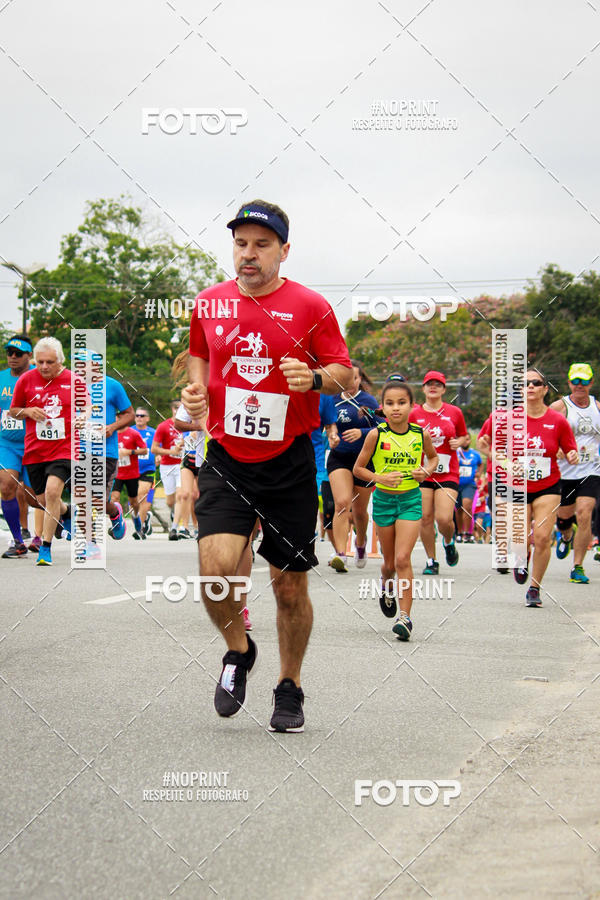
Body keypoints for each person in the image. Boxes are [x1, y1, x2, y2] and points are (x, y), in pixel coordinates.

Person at [182, 198, 352, 733]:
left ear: (283, 250)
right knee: (215, 572)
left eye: (261, 245)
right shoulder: (209, 302)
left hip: (289, 462)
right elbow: (199, 353)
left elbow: (346, 373)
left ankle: (290, 687)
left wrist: (315, 379)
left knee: (288, 586)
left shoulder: (310, 306)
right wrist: (195, 393)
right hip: (227, 454)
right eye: (240, 243)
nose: (248, 254)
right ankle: (239, 652)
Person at [353, 376, 438, 639]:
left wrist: (426, 470)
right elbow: (358, 468)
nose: (396, 408)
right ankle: (387, 588)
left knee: (403, 559)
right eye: (390, 403)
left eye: (402, 402)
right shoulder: (376, 435)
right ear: (383, 407)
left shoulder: (419, 434)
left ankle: (405, 617)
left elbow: (434, 458)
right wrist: (380, 478)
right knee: (388, 564)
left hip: (411, 500)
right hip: (384, 501)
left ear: (412, 405)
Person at [9, 337, 85, 566]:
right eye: (40, 361)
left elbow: (88, 406)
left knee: (53, 492)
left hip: (65, 448)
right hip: (35, 450)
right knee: (42, 500)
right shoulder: (26, 379)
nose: (43, 366)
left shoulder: (73, 380)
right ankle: (67, 512)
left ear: (60, 360)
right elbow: (13, 411)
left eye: (49, 362)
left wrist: (83, 416)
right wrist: (28, 411)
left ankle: (46, 547)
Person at [509, 369, 577, 606]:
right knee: (519, 536)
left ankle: (534, 587)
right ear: (520, 389)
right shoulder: (510, 419)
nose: (530, 387)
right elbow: (496, 449)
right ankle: (521, 556)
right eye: (525, 384)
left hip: (548, 485)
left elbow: (570, 448)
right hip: (517, 485)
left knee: (542, 537)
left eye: (536, 383)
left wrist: (572, 454)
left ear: (545, 389)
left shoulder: (557, 420)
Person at [320, 361, 380, 573]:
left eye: (354, 378)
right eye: (346, 379)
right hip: (339, 458)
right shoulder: (331, 400)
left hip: (363, 461)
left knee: (360, 512)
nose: (350, 383)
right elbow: (326, 425)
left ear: (360, 379)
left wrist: (361, 433)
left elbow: (382, 426)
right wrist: (332, 436)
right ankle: (340, 553)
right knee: (342, 504)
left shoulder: (368, 401)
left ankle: (361, 543)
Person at [409, 371, 469, 574]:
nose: (433, 387)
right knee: (424, 517)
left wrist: (460, 442)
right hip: (422, 473)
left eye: (437, 384)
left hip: (447, 473)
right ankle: (431, 561)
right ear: (423, 388)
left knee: (444, 519)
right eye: (429, 384)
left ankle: (449, 541)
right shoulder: (414, 414)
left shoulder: (454, 412)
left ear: (444, 389)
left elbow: (465, 437)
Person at [550, 363, 600, 584]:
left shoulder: (598, 408)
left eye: (585, 381)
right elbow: (545, 433)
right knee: (564, 519)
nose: (580, 386)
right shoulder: (559, 407)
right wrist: (557, 449)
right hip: (564, 473)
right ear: (569, 382)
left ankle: (578, 566)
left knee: (585, 513)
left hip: (591, 470)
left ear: (591, 382)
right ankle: (565, 535)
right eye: (576, 381)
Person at [0, 335, 36, 558]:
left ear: (29, 356)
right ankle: (18, 541)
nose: (13, 357)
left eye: (18, 353)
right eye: (9, 352)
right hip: (7, 444)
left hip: (34, 444)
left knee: (34, 498)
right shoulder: (1, 378)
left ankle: (64, 513)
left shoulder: (39, 377)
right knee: (6, 487)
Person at [151, 401, 185, 541]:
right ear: (172, 409)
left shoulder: (189, 426)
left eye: (182, 408)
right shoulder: (163, 426)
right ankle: (173, 512)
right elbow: (154, 449)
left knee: (181, 495)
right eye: (176, 408)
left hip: (182, 466)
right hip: (167, 466)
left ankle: (176, 527)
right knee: (170, 501)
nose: (179, 410)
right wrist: (170, 451)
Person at [110, 424, 148, 538]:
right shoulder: (111, 432)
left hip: (131, 474)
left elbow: (145, 450)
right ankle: (117, 522)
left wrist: (129, 452)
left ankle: (136, 516)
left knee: (134, 502)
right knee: (114, 498)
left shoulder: (133, 433)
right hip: (116, 473)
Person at [132, 408, 156, 537]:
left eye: (142, 415)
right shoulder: (129, 431)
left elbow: (160, 448)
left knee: (146, 497)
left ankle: (139, 529)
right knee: (135, 499)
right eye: (137, 415)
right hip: (132, 470)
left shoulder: (154, 432)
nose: (139, 418)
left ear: (148, 418)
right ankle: (146, 517)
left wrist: (159, 457)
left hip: (150, 470)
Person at [455, 438, 482, 542]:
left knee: (467, 506)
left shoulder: (475, 454)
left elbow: (480, 464)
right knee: (459, 509)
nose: (465, 442)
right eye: (463, 439)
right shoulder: (456, 453)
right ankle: (459, 532)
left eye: (467, 439)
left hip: (469, 484)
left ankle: (467, 533)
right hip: (456, 483)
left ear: (470, 441)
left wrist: (478, 474)